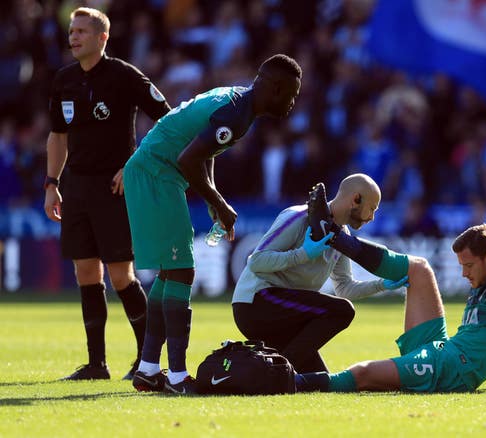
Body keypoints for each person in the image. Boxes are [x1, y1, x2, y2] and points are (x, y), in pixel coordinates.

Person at [124, 53, 302, 395]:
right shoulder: (237, 114)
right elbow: (188, 158)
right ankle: (176, 377)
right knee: (180, 271)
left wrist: (214, 198)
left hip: (154, 172)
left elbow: (201, 153)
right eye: (291, 94)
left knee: (171, 272)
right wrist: (218, 202)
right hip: (157, 174)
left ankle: (148, 369)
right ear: (276, 89)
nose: (292, 103)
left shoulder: (236, 99)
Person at [299, 199, 486, 393]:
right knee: (419, 268)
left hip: (451, 368)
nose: (464, 274)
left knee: (363, 373)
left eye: (468, 265)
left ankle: (294, 382)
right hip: (443, 350)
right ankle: (334, 235)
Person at [44, 7, 171, 381]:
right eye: (71, 31)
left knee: (120, 275)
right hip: (76, 187)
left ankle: (146, 361)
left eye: (82, 31)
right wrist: (52, 184)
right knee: (86, 272)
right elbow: (57, 136)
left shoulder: (124, 76)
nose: (73, 37)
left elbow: (166, 120)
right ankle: (96, 364)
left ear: (102, 38)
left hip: (116, 186)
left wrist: (134, 166)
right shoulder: (64, 79)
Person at [232, 174, 409, 374]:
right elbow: (256, 261)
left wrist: (382, 285)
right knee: (342, 311)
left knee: (319, 381)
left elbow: (344, 288)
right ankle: (278, 372)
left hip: (286, 314)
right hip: (255, 303)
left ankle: (269, 372)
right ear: (356, 199)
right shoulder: (298, 217)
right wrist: (303, 255)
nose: (372, 217)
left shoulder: (341, 237)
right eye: (373, 208)